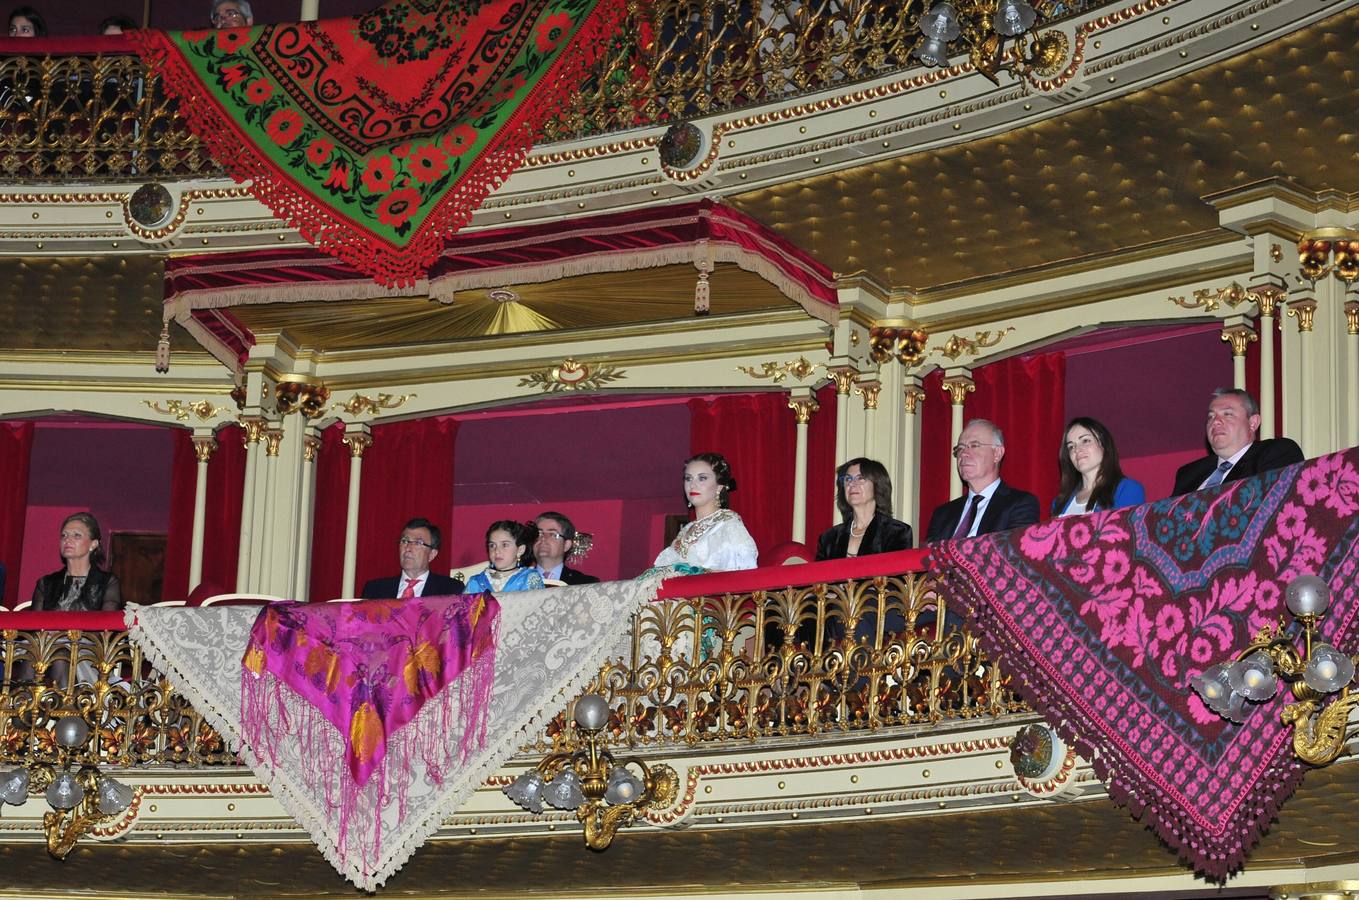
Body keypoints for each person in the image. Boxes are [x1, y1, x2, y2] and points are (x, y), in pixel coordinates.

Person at [1171, 388, 1305, 496]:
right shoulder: (1188, 474)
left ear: (1253, 423)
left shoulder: (1277, 452)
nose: (1215, 421)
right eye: (1211, 416)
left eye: (1227, 414)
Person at [925, 419, 1040, 543]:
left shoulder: (1020, 504)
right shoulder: (943, 514)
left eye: (974, 446)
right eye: (960, 448)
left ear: (997, 453)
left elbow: (1012, 555)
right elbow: (927, 558)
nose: (964, 454)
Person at [650, 452, 757, 572]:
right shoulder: (687, 529)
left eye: (702, 478)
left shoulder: (728, 524)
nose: (692, 485)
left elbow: (743, 575)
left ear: (719, 487)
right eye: (688, 478)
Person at [816, 457, 913, 560]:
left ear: (877, 485)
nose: (851, 484)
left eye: (860, 478)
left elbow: (897, 574)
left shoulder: (896, 533)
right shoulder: (828, 538)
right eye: (848, 479)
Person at [1051, 417, 1146, 516]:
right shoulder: (1059, 503)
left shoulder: (1128, 489)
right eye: (1071, 446)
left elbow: (1125, 530)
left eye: (1085, 441)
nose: (1077, 449)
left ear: (1103, 445)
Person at [32, 512, 123, 611]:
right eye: (64, 535)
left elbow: (107, 624)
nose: (67, 540)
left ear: (93, 544)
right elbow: (34, 624)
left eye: (77, 535)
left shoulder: (107, 582)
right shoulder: (46, 583)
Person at [360, 518, 465, 600]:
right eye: (404, 541)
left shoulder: (451, 590)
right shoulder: (375, 590)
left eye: (418, 543)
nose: (408, 548)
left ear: (432, 554)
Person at [464, 520, 546, 593]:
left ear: (520, 550)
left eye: (504, 545)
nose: (497, 551)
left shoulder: (529, 579)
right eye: (492, 545)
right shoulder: (476, 582)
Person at [531, 511, 599, 584]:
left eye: (552, 534)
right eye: (539, 534)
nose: (543, 538)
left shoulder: (585, 584)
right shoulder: (519, 581)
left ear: (566, 545)